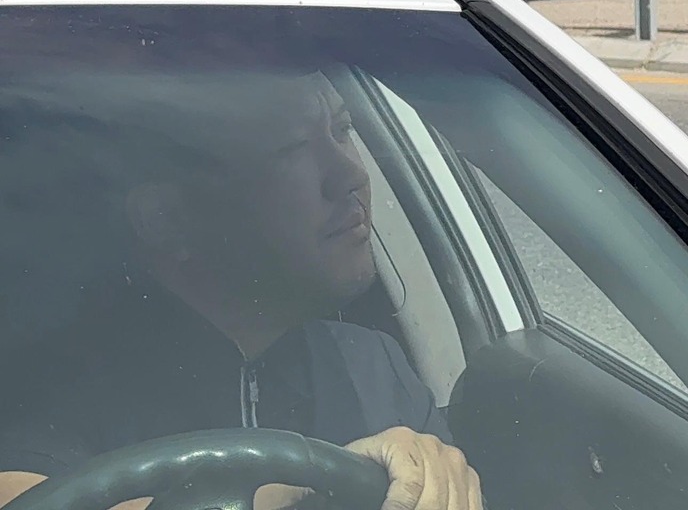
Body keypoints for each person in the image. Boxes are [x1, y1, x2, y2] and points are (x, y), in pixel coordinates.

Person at [0, 69, 482, 510]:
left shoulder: (376, 367)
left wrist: (437, 480)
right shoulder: (50, 386)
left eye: (342, 130)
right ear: (168, 218)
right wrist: (301, 492)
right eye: (291, 148)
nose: (350, 176)